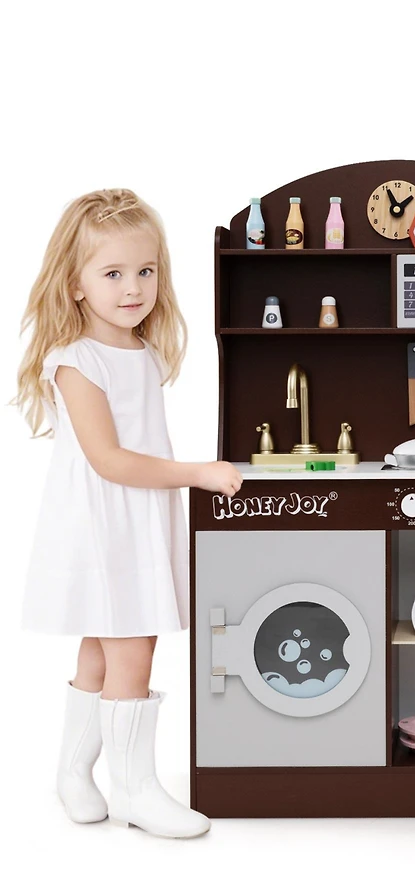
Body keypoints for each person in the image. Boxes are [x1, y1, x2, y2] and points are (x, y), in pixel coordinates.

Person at [12, 189, 243, 839]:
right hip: (104, 524)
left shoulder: (141, 351)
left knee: (101, 649)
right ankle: (136, 789)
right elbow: (110, 460)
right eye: (112, 273)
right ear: (75, 284)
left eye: (145, 270)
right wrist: (198, 472)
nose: (133, 287)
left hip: (133, 516)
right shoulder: (77, 361)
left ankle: (73, 774)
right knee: (133, 650)